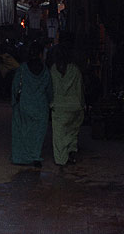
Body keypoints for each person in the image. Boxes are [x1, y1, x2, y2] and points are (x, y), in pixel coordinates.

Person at [11, 40, 53, 168]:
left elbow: (15, 87)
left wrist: (14, 103)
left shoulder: (22, 69)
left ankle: (22, 157)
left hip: (24, 105)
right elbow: (49, 90)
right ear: (41, 54)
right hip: (41, 107)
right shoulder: (45, 70)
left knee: (23, 132)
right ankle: (35, 156)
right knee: (37, 134)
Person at [49, 46, 85, 165]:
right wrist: (82, 105)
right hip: (74, 106)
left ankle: (61, 159)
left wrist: (51, 104)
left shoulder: (53, 70)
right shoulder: (75, 70)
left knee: (59, 136)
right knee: (72, 133)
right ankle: (71, 153)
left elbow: (51, 90)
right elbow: (79, 89)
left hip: (59, 108)